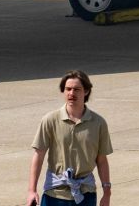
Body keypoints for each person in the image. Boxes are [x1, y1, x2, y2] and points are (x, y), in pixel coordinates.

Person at [27, 71, 112, 206]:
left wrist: (107, 193)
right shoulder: (50, 120)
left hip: (86, 194)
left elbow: (101, 160)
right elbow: (39, 155)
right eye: (68, 89)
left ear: (86, 91)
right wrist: (32, 191)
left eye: (76, 89)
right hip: (54, 194)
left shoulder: (99, 123)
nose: (71, 93)